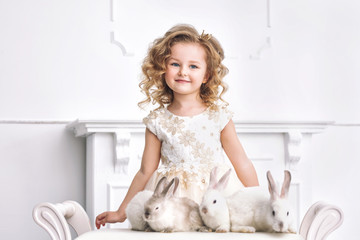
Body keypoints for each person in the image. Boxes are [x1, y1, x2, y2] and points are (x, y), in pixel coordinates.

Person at [95, 24, 259, 229]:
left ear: (206, 75)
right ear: (163, 69)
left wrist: (261, 202)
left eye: (193, 66)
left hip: (214, 196)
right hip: (174, 202)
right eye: (175, 64)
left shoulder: (219, 117)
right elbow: (145, 171)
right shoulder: (157, 122)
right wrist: (121, 212)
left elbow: (242, 163)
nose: (183, 72)